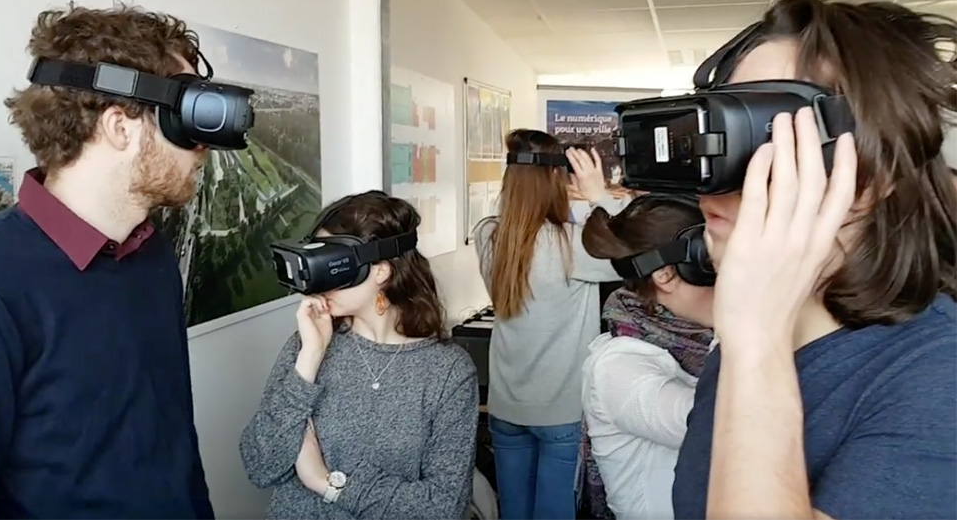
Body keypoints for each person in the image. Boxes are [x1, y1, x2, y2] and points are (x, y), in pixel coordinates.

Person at [672, 0, 957, 519]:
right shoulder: (751, 334)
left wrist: (756, 343)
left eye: (763, 145)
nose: (713, 181)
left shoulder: (940, 378)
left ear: (873, 179)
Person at [0, 5, 213, 517]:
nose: (202, 145)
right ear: (120, 126)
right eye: (183, 121)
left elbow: (173, 444)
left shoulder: (152, 255)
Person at [240, 191, 479, 520]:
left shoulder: (447, 372)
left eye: (331, 264)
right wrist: (309, 359)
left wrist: (327, 483)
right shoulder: (306, 344)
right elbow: (260, 466)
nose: (317, 280)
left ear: (380, 271)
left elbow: (443, 507)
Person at [473, 129, 632, 520]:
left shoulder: (489, 235)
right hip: (561, 410)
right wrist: (598, 196)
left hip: (506, 406)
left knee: (514, 510)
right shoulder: (573, 245)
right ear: (555, 182)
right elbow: (638, 250)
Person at [577, 195, 714, 520]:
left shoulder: (699, 340)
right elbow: (719, 426)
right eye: (712, 262)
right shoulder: (617, 366)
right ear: (665, 274)